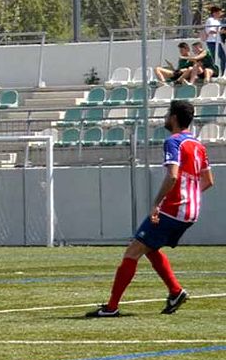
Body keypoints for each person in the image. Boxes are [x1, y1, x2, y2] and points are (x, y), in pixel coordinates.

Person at [87, 100, 214, 317]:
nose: (165, 118)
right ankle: (175, 292)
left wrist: (156, 203)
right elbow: (209, 180)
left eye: (167, 114)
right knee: (149, 246)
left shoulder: (174, 142)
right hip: (191, 211)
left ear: (173, 117)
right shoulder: (198, 145)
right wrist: (190, 197)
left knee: (133, 251)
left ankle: (111, 307)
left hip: (174, 208)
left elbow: (172, 176)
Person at [202, 5, 226, 71]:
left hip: (218, 42)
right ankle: (212, 72)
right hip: (212, 41)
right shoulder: (210, 20)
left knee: (223, 57)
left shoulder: (218, 21)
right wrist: (220, 31)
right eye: (219, 13)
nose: (220, 14)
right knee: (214, 58)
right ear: (214, 13)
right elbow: (210, 31)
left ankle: (222, 72)